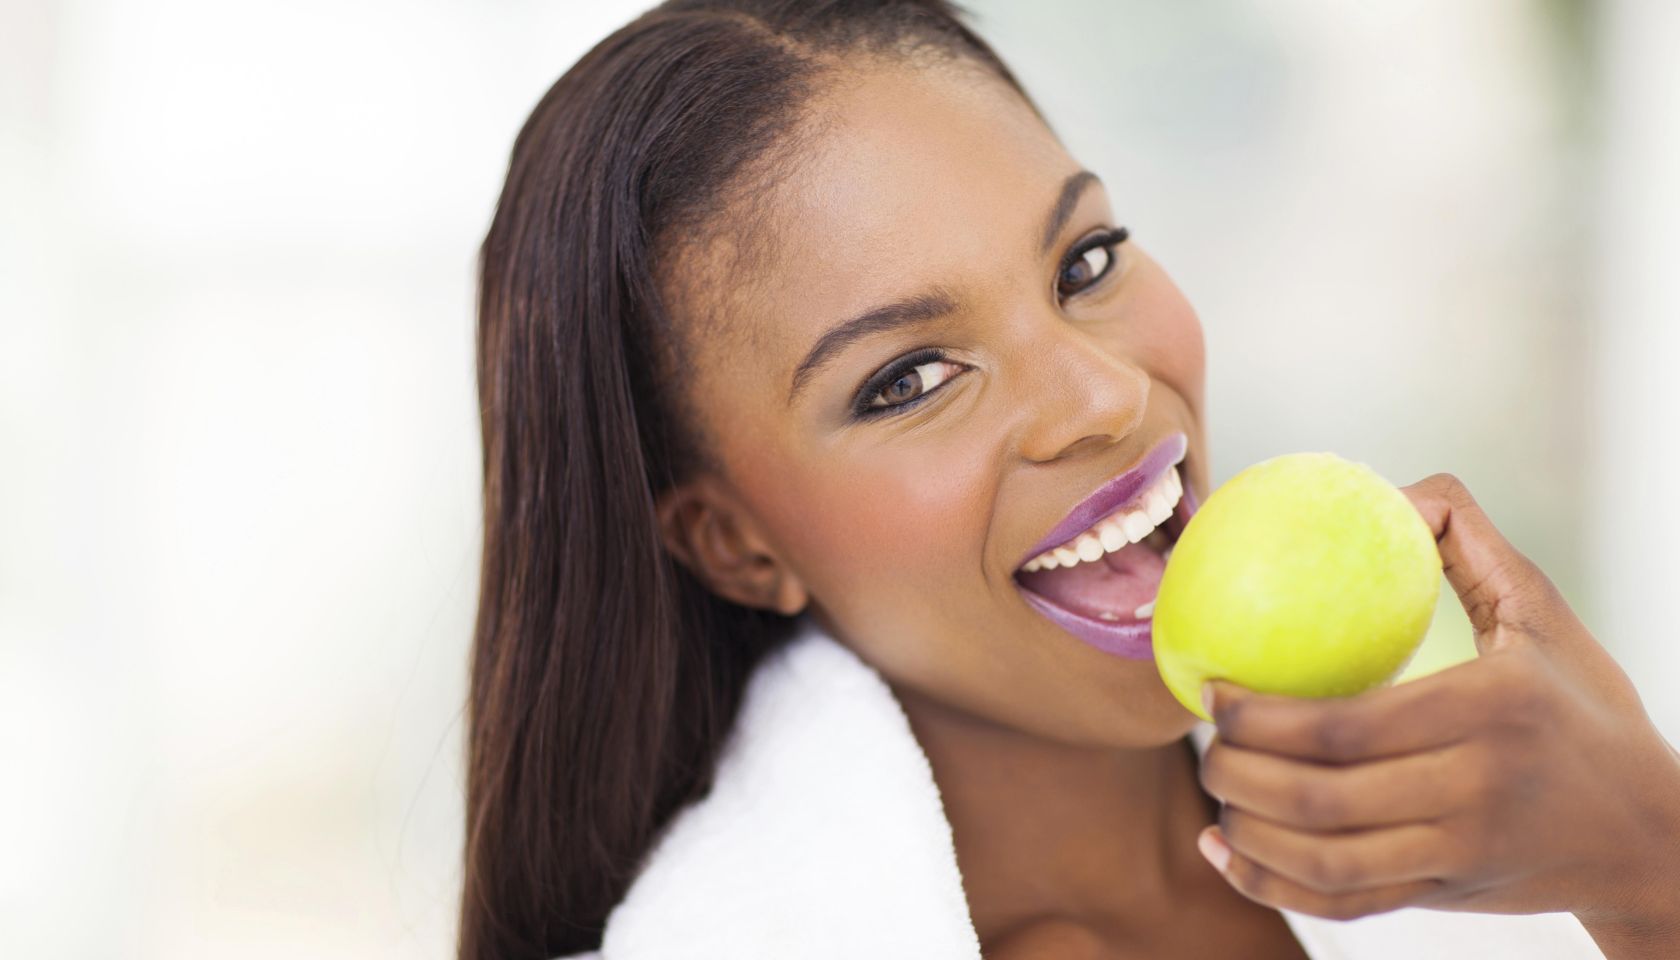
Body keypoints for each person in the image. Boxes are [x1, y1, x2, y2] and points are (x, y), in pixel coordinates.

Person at [459, 2, 1680, 958]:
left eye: (1085, 260)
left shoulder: (1527, 846)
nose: (1103, 396)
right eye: (910, 379)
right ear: (735, 542)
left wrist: (1648, 870)